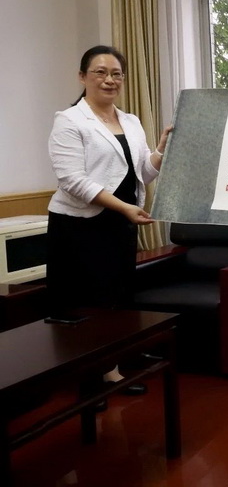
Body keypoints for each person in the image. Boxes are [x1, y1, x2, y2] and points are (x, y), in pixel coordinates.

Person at [47, 45, 172, 395]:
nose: (109, 80)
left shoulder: (130, 121)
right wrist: (123, 207)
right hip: (80, 226)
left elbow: (142, 172)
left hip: (119, 224)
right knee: (86, 302)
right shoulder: (69, 120)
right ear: (82, 76)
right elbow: (73, 180)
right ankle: (88, 382)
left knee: (117, 296)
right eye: (100, 72)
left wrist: (161, 151)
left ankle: (112, 368)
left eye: (116, 74)